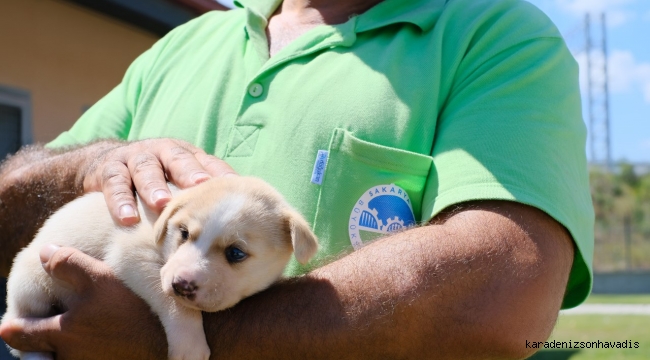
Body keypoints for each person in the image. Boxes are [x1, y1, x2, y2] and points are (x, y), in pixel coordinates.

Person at [0, 0, 594, 358]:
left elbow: (501, 298)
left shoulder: (497, 37)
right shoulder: (182, 45)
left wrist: (174, 340)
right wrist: (91, 162)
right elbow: (11, 213)